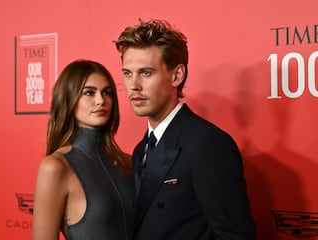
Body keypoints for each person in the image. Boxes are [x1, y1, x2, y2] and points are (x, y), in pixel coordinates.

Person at [114, 19, 256, 240]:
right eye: (128, 73)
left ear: (177, 75)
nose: (134, 85)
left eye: (146, 73)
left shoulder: (208, 145)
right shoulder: (141, 150)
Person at [32, 59, 134, 240]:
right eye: (89, 93)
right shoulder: (56, 167)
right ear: (69, 99)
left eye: (107, 93)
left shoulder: (129, 162)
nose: (101, 100)